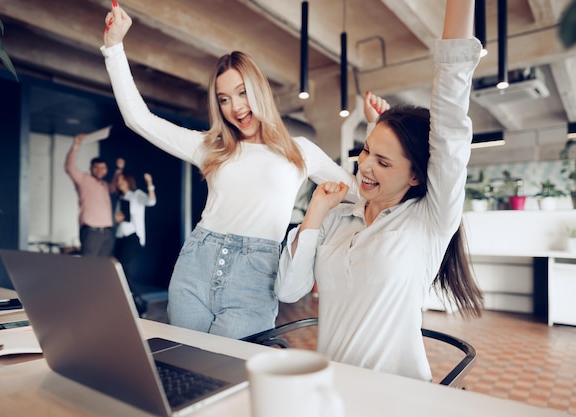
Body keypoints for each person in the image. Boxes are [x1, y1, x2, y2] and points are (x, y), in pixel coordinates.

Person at [101, 4, 360, 339]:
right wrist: (114, 48)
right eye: (224, 99)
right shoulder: (212, 147)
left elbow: (358, 190)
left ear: (259, 89)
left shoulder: (300, 151)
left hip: (255, 278)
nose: (235, 107)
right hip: (195, 267)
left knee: (232, 373)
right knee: (187, 367)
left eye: (241, 93)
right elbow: (139, 119)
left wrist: (385, 140)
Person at [275, 0, 484, 382]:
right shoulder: (342, 214)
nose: (364, 165)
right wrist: (316, 212)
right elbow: (290, 291)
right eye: (366, 149)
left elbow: (451, 126)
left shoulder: (429, 221)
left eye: (384, 163)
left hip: (398, 395)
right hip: (333, 389)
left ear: (417, 176)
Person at [113, 158, 157, 315]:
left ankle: (139, 302)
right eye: (118, 181)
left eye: (122, 180)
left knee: (122, 267)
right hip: (119, 237)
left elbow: (151, 201)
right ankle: (131, 302)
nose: (120, 183)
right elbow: (118, 221)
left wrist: (149, 183)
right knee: (118, 270)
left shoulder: (136, 195)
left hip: (133, 237)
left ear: (128, 181)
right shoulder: (119, 199)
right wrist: (115, 219)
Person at [65, 134, 118, 257]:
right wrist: (76, 145)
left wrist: (118, 171)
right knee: (89, 266)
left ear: (106, 170)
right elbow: (70, 167)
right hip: (91, 232)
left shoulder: (105, 185)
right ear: (91, 168)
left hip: (108, 233)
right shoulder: (84, 180)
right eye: (96, 167)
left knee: (103, 267)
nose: (100, 170)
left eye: (103, 168)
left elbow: (115, 187)